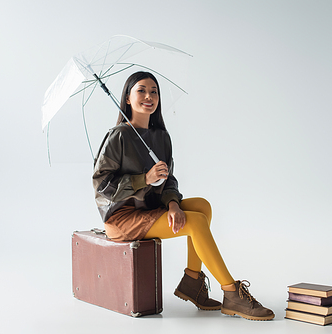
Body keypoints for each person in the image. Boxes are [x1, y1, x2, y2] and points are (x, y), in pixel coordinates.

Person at [92, 71, 274, 321]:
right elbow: (102, 186)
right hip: (124, 218)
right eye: (141, 90)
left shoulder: (161, 137)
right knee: (196, 222)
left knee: (202, 206)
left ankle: (192, 282)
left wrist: (174, 204)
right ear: (127, 99)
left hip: (151, 207)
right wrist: (143, 179)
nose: (149, 96)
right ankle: (231, 293)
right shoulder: (118, 136)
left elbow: (170, 180)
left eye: (154, 91)